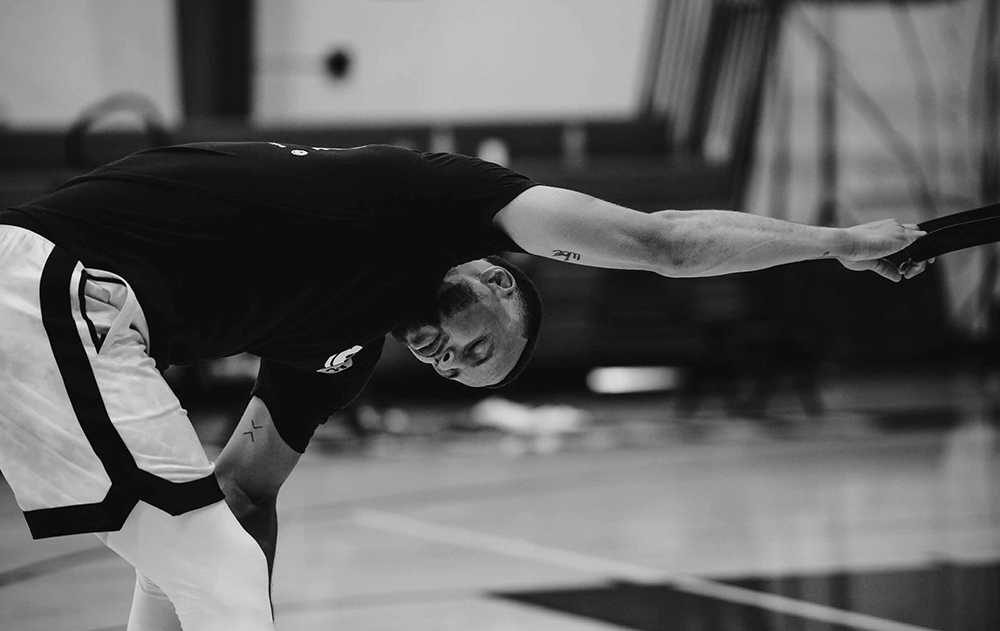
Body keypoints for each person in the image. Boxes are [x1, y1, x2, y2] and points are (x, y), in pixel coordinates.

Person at [0, 141, 928, 630]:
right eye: (476, 345)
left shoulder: (337, 344)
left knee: (188, 559)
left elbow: (244, 490)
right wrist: (839, 245)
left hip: (70, 314)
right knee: (218, 574)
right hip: (50, 281)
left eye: (455, 369)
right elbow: (663, 244)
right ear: (495, 279)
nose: (447, 360)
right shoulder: (439, 202)